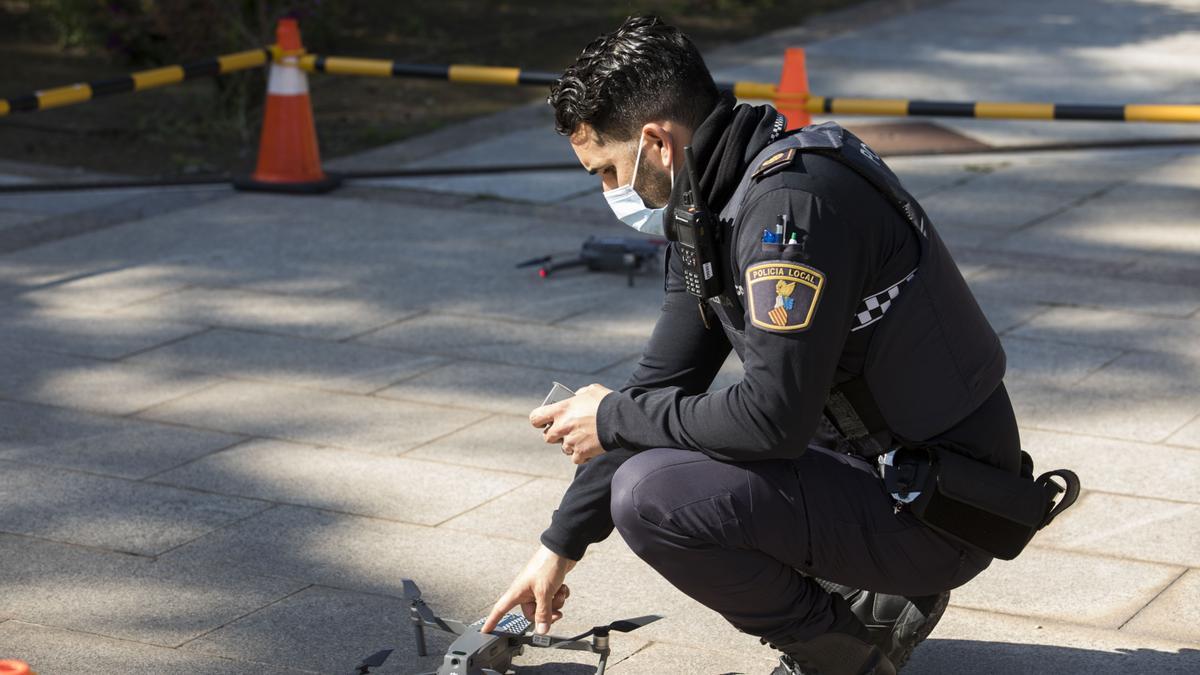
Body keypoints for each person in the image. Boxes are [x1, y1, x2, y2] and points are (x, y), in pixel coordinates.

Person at [480, 15, 1024, 674]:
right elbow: (660, 385)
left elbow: (772, 419)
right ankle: (868, 592)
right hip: (880, 469)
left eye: (607, 171)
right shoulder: (712, 200)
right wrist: (557, 546)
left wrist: (613, 417)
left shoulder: (790, 208)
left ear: (656, 142)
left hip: (942, 505)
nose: (609, 193)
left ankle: (846, 658)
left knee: (651, 496)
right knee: (649, 454)